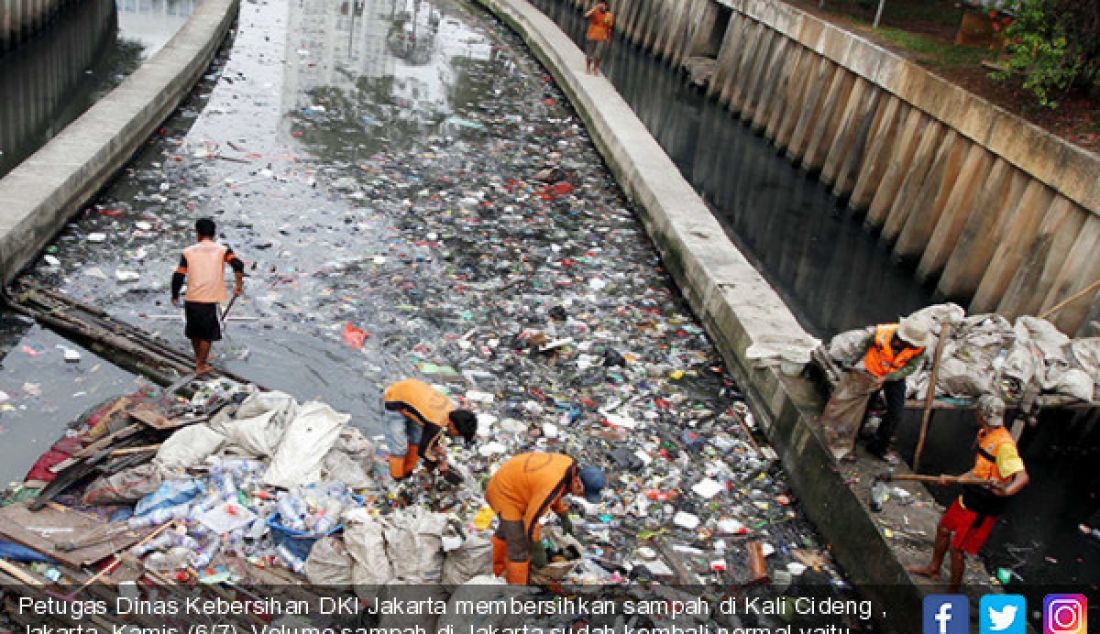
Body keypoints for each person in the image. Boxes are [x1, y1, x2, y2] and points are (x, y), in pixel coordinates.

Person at [909, 395, 1029, 591]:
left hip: (984, 505)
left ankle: (952, 592)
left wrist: (1004, 491)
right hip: (971, 496)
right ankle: (933, 568)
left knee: (957, 549)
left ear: (981, 415)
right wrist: (955, 479)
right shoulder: (984, 434)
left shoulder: (1005, 445)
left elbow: (1022, 478)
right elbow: (979, 471)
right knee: (943, 529)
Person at [484, 452, 606, 584]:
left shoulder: (569, 468)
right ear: (577, 483)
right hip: (505, 493)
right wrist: (537, 548)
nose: (581, 497)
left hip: (516, 485)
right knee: (519, 548)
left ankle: (496, 568)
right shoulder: (553, 482)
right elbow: (531, 522)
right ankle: (515, 590)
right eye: (582, 493)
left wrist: (563, 514)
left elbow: (554, 493)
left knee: (507, 532)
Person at [170, 218, 244, 375]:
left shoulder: (188, 252)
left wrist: (175, 294)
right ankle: (201, 365)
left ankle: (199, 359)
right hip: (209, 299)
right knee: (207, 335)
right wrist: (238, 286)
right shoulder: (223, 250)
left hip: (192, 297)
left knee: (194, 331)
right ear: (214, 233)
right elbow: (238, 264)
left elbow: (179, 274)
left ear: (197, 233)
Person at [383, 378, 478, 485]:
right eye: (459, 433)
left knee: (417, 440)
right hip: (396, 399)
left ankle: (407, 471)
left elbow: (431, 436)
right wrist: (438, 462)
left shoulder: (451, 409)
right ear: (453, 426)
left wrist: (437, 449)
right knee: (399, 448)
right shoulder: (436, 422)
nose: (457, 436)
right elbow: (423, 452)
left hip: (413, 395)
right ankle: (397, 477)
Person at [583, 1, 613, 75]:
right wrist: (595, 8)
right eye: (601, 4)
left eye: (604, 5)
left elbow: (609, 28)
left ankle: (595, 68)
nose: (602, 7)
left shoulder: (609, 15)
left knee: (598, 54)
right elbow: (586, 15)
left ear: (606, 6)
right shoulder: (595, 12)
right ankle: (588, 68)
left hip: (602, 37)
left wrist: (608, 37)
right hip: (592, 35)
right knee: (589, 52)